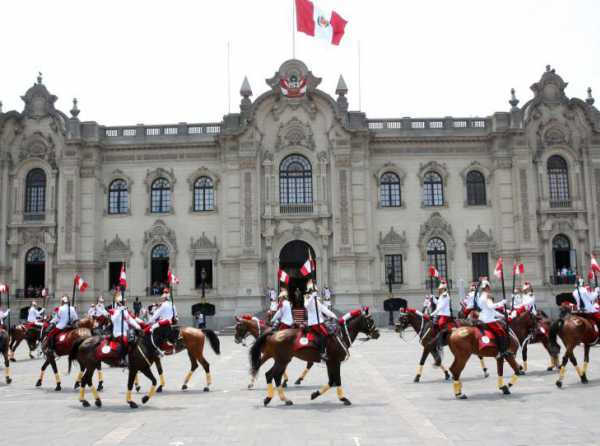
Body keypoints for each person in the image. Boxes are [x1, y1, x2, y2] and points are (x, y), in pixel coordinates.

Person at [304, 279, 337, 360]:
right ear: (311, 291)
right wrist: (312, 296)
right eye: (314, 291)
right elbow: (306, 306)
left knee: (329, 331)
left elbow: (324, 309)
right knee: (324, 333)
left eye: (315, 291)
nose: (316, 292)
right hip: (314, 322)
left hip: (320, 321)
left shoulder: (317, 300)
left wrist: (333, 315)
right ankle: (322, 353)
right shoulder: (307, 298)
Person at [477, 281, 509, 358]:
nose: (489, 289)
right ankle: (502, 351)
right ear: (487, 287)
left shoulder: (481, 296)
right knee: (501, 331)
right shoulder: (487, 296)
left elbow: (490, 310)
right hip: (488, 319)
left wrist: (501, 316)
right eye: (489, 287)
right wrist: (501, 302)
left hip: (483, 317)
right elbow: (491, 306)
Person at [108, 294, 141, 365]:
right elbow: (113, 320)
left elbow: (130, 320)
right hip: (118, 333)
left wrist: (137, 326)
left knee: (135, 339)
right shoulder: (116, 311)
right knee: (126, 340)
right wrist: (120, 310)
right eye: (124, 301)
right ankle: (122, 358)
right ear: (120, 302)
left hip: (126, 332)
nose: (125, 303)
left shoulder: (125, 311)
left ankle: (132, 357)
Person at [148, 288, 178, 353]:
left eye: (163, 298)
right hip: (169, 323)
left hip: (164, 323)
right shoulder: (173, 305)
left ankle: (156, 348)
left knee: (151, 329)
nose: (162, 299)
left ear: (164, 298)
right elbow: (175, 316)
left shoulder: (163, 305)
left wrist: (149, 321)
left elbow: (156, 315)